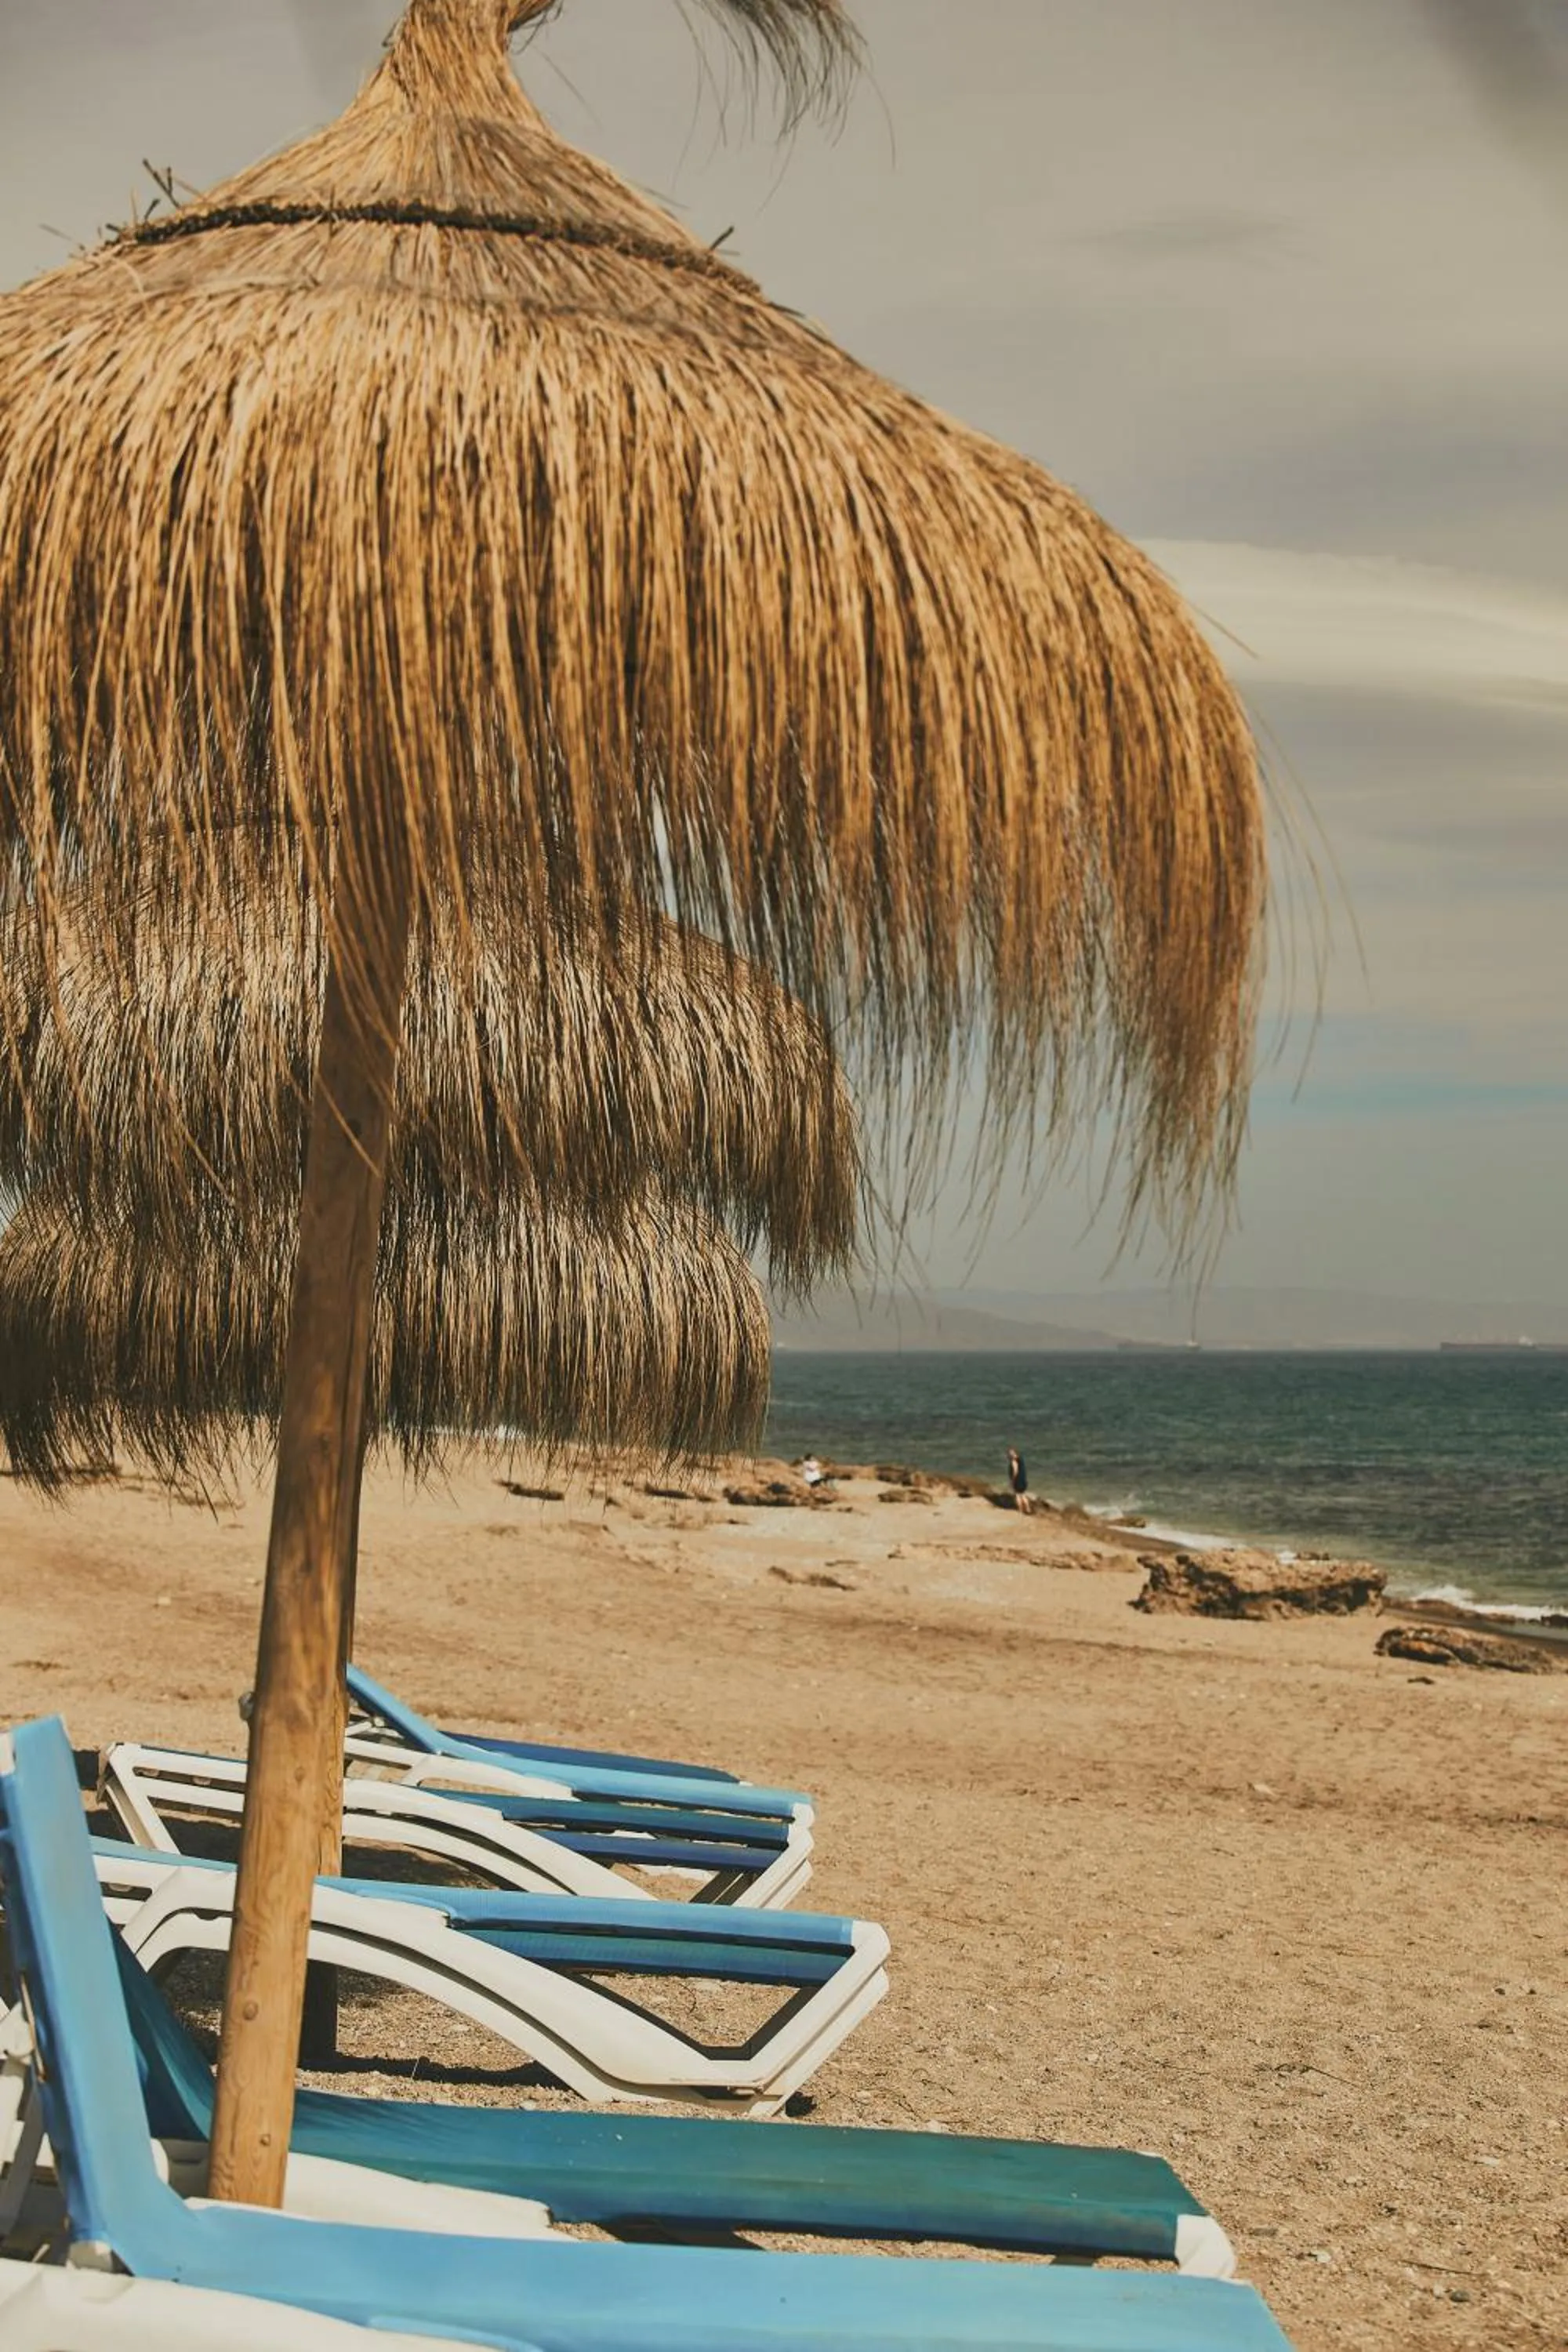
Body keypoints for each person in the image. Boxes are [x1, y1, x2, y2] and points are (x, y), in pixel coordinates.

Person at [1007, 1446, 1033, 1515]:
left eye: (1010, 1454)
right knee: (1023, 1495)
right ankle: (1028, 1509)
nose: (1009, 1455)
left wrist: (1012, 1481)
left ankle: (1021, 1510)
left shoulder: (1014, 1462)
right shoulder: (1021, 1460)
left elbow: (1015, 1471)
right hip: (1023, 1480)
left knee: (1018, 1495)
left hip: (1018, 1481)